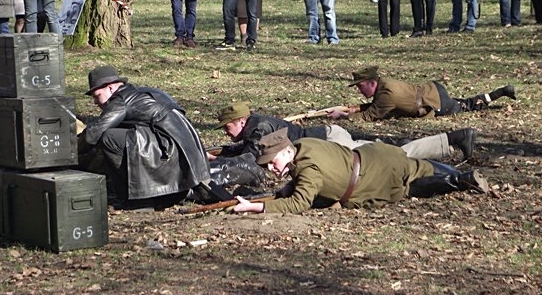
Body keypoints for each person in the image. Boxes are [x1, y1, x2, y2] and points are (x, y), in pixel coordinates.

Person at [233, 129, 489, 214]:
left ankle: (460, 181)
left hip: (371, 180)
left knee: (408, 187)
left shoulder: (306, 167)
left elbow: (300, 203)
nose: (269, 168)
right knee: (417, 167)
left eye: (271, 162)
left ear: (287, 152)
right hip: (374, 156)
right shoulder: (304, 145)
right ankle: (458, 174)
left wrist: (256, 207)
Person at [77, 65, 225, 208]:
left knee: (109, 137)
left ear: (110, 87)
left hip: (171, 148)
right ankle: (161, 196)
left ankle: (137, 200)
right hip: (187, 149)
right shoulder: (141, 93)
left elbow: (93, 133)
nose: (95, 102)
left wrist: (70, 150)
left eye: (97, 96)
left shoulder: (120, 100)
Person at [214, 101, 477, 162]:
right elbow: (250, 149)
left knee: (392, 157)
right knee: (388, 152)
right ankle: (453, 139)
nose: (227, 132)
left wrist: (220, 156)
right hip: (328, 138)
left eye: (227, 127)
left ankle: (455, 139)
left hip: (330, 143)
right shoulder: (255, 125)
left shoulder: (259, 128)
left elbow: (249, 158)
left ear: (240, 121)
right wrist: (223, 151)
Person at [327, 66, 516, 122]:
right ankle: (500, 92)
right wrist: (351, 108)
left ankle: (499, 93)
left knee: (466, 106)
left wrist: (344, 116)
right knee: (465, 103)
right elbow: (374, 107)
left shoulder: (387, 94)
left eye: (360, 87)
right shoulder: (384, 86)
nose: (360, 91)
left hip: (434, 100)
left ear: (371, 83)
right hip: (432, 90)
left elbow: (370, 115)